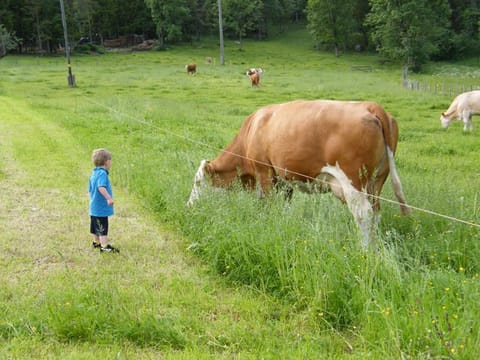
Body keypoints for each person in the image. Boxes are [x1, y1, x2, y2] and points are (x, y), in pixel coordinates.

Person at [89, 148, 119, 253]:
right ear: (106, 161)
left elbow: (90, 190)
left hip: (93, 206)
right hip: (100, 207)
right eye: (110, 161)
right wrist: (109, 198)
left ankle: (96, 242)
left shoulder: (94, 173)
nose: (110, 163)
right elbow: (101, 187)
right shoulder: (102, 173)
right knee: (102, 226)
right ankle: (104, 246)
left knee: (95, 225)